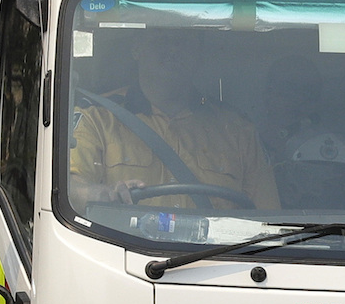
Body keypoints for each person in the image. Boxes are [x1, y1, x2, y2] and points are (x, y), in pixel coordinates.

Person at [69, 34, 280, 211]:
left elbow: (269, 217)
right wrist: (105, 194)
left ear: (199, 54)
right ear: (137, 48)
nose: (173, 48)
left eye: (184, 39)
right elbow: (69, 188)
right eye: (162, 36)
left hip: (220, 258)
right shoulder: (96, 117)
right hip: (120, 255)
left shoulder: (238, 130)